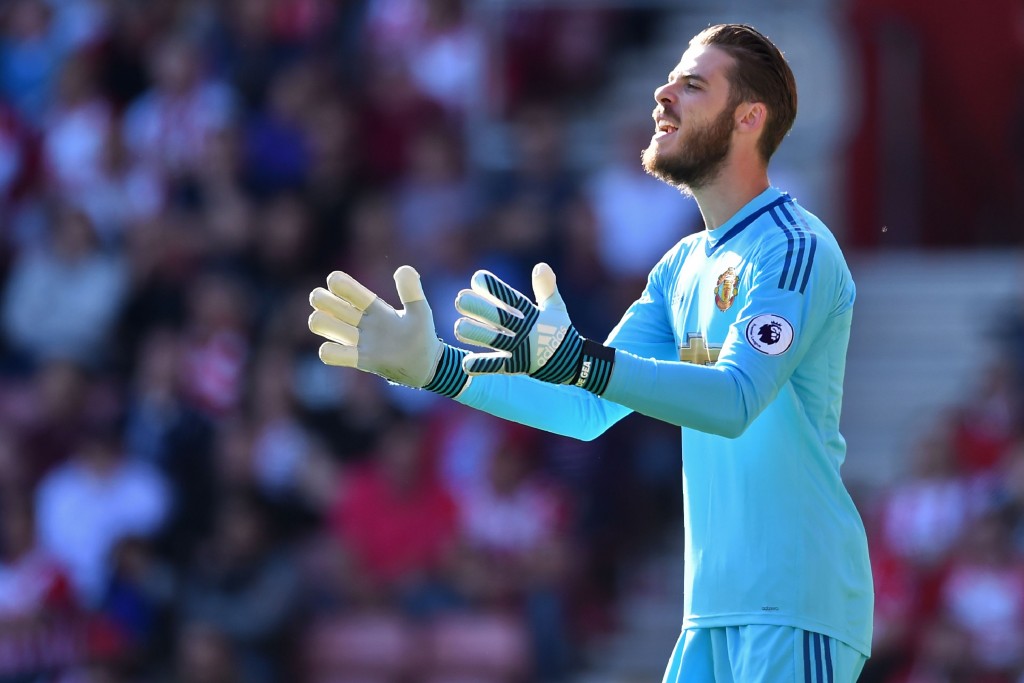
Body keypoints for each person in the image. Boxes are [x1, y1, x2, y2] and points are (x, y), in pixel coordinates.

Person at [308, 23, 873, 683]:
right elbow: (585, 408)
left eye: (692, 84)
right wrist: (439, 367)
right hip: (712, 610)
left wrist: (581, 359)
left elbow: (737, 399)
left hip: (793, 601)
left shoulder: (792, 247)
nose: (662, 94)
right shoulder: (681, 267)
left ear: (748, 118)